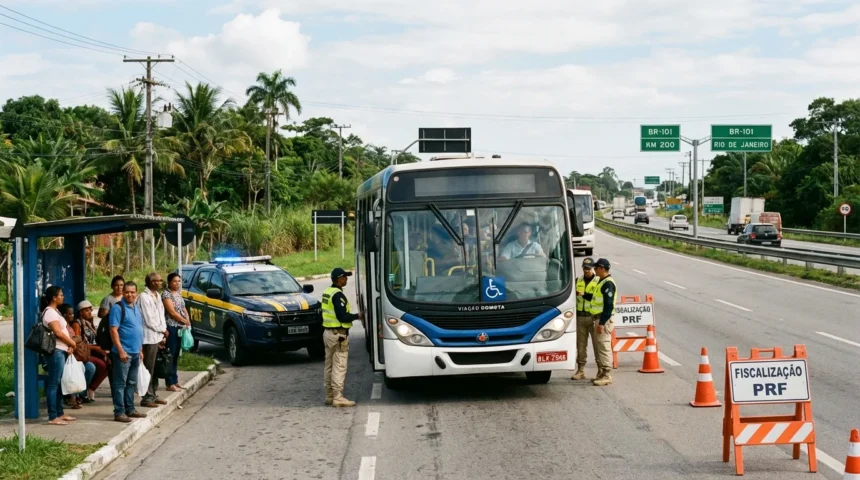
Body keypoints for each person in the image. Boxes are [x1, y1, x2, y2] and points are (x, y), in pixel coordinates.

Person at [321, 268, 362, 408]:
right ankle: (338, 397)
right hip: (338, 335)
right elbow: (342, 316)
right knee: (339, 365)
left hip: (328, 333)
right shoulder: (337, 295)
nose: (346, 279)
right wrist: (357, 316)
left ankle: (329, 395)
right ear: (338, 279)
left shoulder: (327, 292)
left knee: (329, 365)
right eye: (344, 277)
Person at [109, 281, 147, 423]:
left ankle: (130, 409)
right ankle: (119, 412)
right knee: (120, 384)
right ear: (123, 293)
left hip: (136, 352)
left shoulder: (136, 308)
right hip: (123, 353)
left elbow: (138, 330)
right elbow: (113, 330)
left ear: (136, 294)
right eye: (127, 292)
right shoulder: (118, 308)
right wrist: (120, 350)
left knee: (131, 382)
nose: (130, 295)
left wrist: (141, 349)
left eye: (132, 292)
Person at [40, 286, 77, 425]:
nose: (63, 297)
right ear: (54, 297)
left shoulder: (56, 311)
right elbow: (58, 333)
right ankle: (52, 416)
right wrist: (72, 343)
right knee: (53, 384)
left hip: (62, 350)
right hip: (56, 351)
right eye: (60, 295)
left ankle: (59, 413)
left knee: (59, 383)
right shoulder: (50, 312)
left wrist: (69, 346)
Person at [139, 272, 168, 408]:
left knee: (155, 368)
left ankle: (153, 394)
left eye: (160, 280)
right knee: (148, 368)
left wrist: (162, 334)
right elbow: (149, 319)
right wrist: (162, 330)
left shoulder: (157, 296)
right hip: (149, 337)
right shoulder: (144, 297)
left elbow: (161, 316)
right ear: (150, 282)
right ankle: (147, 397)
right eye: (156, 281)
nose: (159, 283)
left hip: (157, 336)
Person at [60, 303, 94, 409]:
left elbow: (78, 338)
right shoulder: (62, 326)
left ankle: (80, 393)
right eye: (70, 314)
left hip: (75, 355)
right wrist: (73, 341)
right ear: (64, 315)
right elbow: (68, 338)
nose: (72, 316)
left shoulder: (70, 326)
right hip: (65, 355)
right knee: (77, 369)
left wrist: (72, 341)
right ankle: (72, 398)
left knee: (90, 368)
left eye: (72, 314)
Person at [162, 273, 191, 391]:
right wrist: (184, 320)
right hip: (171, 327)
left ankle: (175, 380)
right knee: (171, 354)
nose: (177, 283)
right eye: (175, 281)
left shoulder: (178, 293)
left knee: (176, 355)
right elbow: (172, 312)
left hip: (181, 327)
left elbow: (183, 308)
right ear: (169, 282)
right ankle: (169, 383)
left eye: (179, 281)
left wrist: (187, 320)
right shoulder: (166, 294)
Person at [590, 258, 616, 386]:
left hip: (603, 319)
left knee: (604, 346)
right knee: (600, 346)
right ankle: (601, 372)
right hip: (598, 318)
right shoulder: (601, 282)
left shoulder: (607, 284)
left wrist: (602, 323)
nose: (594, 270)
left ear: (602, 268)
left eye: (596, 268)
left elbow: (608, 305)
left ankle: (607, 374)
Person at [572, 258, 600, 380]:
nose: (586, 271)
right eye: (585, 268)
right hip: (580, 317)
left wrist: (583, 294)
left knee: (597, 345)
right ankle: (581, 370)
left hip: (593, 317)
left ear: (593, 268)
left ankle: (601, 370)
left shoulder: (599, 281)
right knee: (581, 345)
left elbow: (597, 297)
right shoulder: (577, 280)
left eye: (588, 268)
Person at [76, 300, 109, 402]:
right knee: (98, 365)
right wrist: (96, 349)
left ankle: (91, 389)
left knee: (109, 363)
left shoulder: (88, 323)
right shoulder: (77, 323)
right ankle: (82, 393)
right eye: (86, 310)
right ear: (81, 312)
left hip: (91, 352)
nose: (90, 312)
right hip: (81, 354)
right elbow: (78, 344)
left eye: (90, 310)